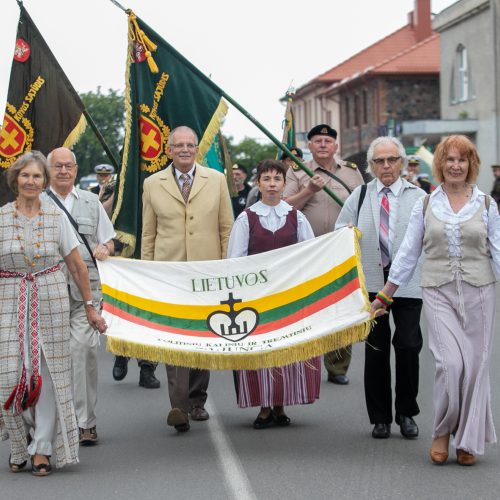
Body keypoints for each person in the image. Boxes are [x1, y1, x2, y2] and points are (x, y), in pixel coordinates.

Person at [371, 135, 500, 466]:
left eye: (462, 160)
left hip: (479, 294)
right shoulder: (426, 204)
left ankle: (467, 440)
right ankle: (443, 431)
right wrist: (386, 294)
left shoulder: (486, 204)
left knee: (475, 368)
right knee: (449, 364)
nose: (455, 165)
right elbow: (409, 252)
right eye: (449, 159)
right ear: (440, 165)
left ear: (471, 165)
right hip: (438, 292)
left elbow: (497, 251)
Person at [0, 151, 106, 476]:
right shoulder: (1, 217)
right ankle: (21, 442)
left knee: (48, 377)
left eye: (37, 176)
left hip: (52, 297)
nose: (31, 181)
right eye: (25, 176)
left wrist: (90, 307)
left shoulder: (56, 217)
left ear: (44, 182)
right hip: (10, 299)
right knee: (10, 377)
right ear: (15, 180)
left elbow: (76, 265)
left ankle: (43, 448)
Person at [141, 125, 233, 433]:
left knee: (202, 337)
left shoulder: (216, 180)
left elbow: (226, 229)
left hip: (207, 274)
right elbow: (149, 233)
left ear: (197, 149)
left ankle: (197, 400)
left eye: (189, 145)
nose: (184, 149)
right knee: (175, 337)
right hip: (169, 274)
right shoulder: (153, 183)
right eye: (178, 145)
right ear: (168, 150)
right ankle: (178, 405)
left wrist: (226, 269)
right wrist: (148, 273)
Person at [335, 137, 425, 440]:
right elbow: (340, 234)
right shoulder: (360, 196)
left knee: (409, 346)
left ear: (401, 162)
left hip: (409, 284)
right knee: (376, 351)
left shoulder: (419, 197)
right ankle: (381, 417)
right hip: (372, 285)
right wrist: (348, 234)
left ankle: (406, 412)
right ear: (370, 166)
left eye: (391, 160)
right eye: (379, 161)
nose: (386, 166)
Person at [228, 159, 319, 428]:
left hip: (288, 296)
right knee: (260, 350)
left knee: (285, 348)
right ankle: (264, 406)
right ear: (258, 183)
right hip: (256, 298)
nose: (271, 184)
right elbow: (236, 259)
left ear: (283, 184)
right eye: (266, 179)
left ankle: (280, 404)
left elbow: (311, 253)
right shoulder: (246, 218)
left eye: (276, 179)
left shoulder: (296, 216)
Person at [44, 147, 115, 446]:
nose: (63, 171)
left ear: (75, 169)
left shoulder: (90, 201)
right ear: (48, 170)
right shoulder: (37, 203)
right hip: (47, 290)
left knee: (84, 350)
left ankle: (85, 422)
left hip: (85, 290)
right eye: (57, 166)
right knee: (48, 359)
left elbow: (109, 239)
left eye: (68, 166)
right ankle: (51, 420)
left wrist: (104, 248)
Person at [284, 124, 364, 385]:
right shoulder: (297, 172)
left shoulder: (351, 173)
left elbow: (364, 206)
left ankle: (338, 366)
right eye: (316, 140)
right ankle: (306, 361)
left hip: (342, 250)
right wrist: (309, 190)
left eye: (327, 141)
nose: (322, 145)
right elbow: (284, 207)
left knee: (340, 305)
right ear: (309, 146)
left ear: (335, 146)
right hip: (309, 250)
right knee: (309, 305)